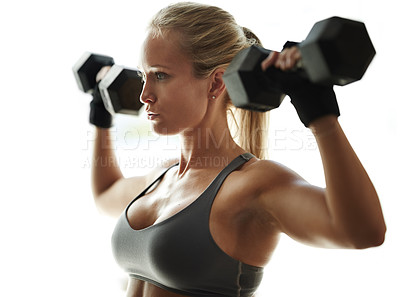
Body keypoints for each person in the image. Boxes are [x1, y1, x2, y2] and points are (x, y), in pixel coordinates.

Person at [88, 2, 386, 297]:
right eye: (143, 76)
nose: (144, 95)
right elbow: (105, 194)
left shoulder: (252, 184)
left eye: (161, 75)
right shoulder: (161, 176)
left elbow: (363, 231)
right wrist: (100, 115)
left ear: (216, 83)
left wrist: (319, 113)